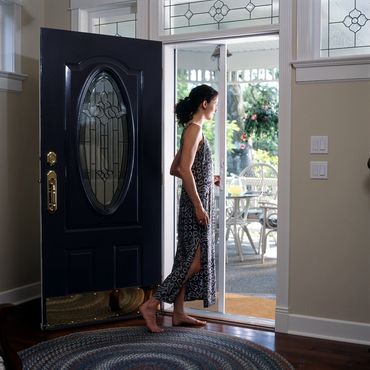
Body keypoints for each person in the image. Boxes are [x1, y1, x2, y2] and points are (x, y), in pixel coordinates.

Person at [139, 84, 219, 333]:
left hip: (192, 200)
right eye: (214, 104)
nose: (215, 109)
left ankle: (179, 313)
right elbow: (183, 170)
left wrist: (207, 178)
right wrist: (198, 205)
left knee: (185, 259)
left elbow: (177, 168)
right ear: (204, 103)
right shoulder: (194, 130)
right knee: (194, 262)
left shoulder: (190, 130)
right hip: (194, 205)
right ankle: (152, 304)